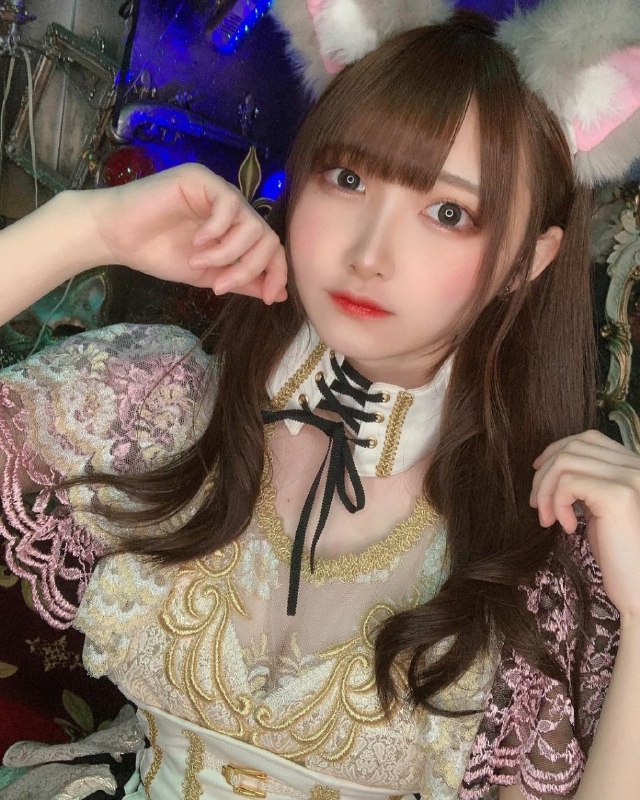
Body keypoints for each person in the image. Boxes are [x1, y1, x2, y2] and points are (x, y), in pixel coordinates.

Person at [1, 6, 640, 800]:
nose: (368, 254)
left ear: (527, 261)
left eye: (449, 213)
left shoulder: (537, 538)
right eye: (348, 178)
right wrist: (80, 229)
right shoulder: (159, 401)